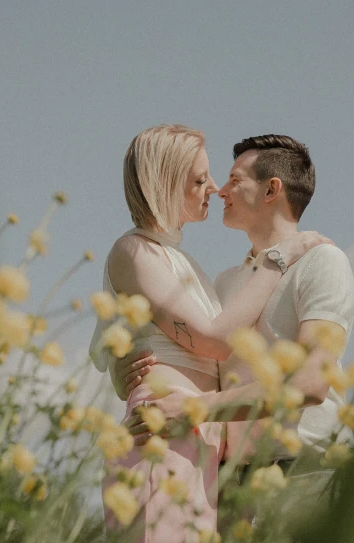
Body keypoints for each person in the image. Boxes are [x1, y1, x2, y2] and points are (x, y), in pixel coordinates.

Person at [89, 125, 330, 543]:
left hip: (201, 435)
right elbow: (214, 342)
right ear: (165, 183)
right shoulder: (134, 250)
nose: (214, 188)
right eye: (199, 180)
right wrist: (279, 258)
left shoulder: (188, 265)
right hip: (165, 431)